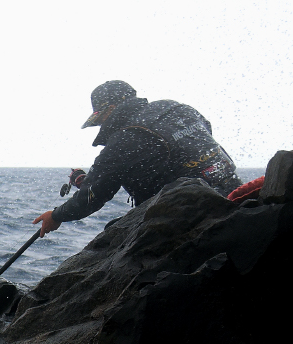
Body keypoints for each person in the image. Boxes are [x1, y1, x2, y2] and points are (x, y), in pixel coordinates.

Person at [34, 81, 241, 236]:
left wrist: (56, 215)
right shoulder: (176, 108)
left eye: (100, 119)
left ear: (111, 110)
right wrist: (87, 181)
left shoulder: (125, 138)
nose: (101, 126)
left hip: (193, 212)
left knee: (113, 236)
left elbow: (90, 199)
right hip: (233, 192)